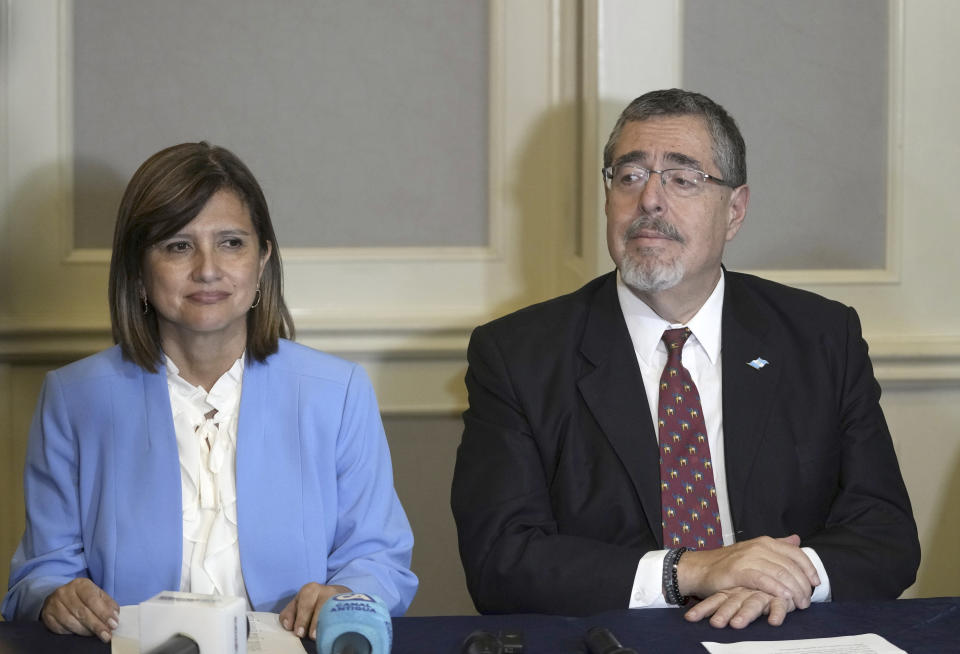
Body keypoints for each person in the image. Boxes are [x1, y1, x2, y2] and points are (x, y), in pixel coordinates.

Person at [451, 89, 919, 628]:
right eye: (629, 176)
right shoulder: (518, 354)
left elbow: (885, 534)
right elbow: (500, 562)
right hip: (612, 636)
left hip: (781, 629)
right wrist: (689, 572)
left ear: (735, 210)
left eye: (682, 178)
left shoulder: (820, 336)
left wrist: (783, 577)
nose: (649, 200)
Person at [1, 142, 418, 641]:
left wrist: (346, 598)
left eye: (231, 243)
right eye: (178, 245)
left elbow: (377, 559)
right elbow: (38, 573)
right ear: (138, 270)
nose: (207, 269)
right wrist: (56, 596)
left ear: (262, 259)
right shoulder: (73, 399)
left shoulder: (338, 393)